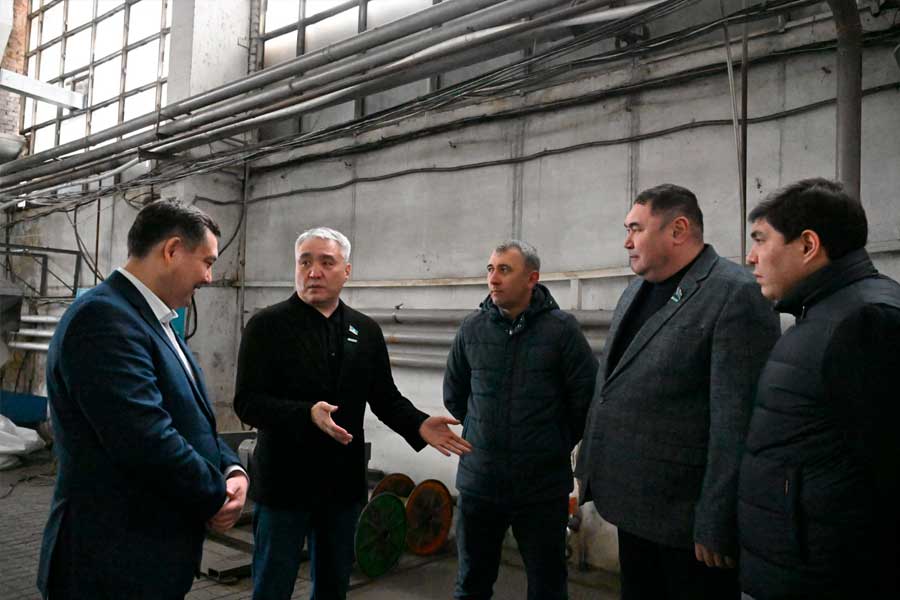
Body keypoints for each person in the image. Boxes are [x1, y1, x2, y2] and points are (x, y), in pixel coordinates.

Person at [234, 226, 471, 600]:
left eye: (326, 263)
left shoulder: (365, 330)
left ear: (346, 271)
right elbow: (247, 402)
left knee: (333, 587)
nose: (314, 272)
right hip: (284, 484)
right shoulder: (267, 326)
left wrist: (420, 424)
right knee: (272, 587)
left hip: (340, 486)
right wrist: (306, 414)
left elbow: (385, 398)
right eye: (305, 262)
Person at [575, 184, 780, 600]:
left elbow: (737, 421)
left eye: (636, 229)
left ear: (678, 229)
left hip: (688, 522)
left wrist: (717, 519)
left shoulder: (735, 293)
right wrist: (588, 471)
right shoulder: (635, 290)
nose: (627, 242)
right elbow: (609, 386)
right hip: (634, 504)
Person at [37, 200, 248, 600]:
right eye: (207, 262)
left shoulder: (154, 320)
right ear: (172, 250)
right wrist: (215, 494)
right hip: (110, 563)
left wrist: (232, 468)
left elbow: (191, 419)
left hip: (148, 556)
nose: (209, 277)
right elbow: (144, 437)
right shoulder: (102, 319)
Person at [738, 178, 900, 599]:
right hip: (795, 564)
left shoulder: (866, 321)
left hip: (821, 577)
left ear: (808, 245)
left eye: (760, 239)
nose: (750, 257)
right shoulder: (825, 313)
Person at [443, 240, 599, 600]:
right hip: (480, 481)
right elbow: (455, 394)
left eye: (504, 270)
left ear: (532, 278)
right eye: (490, 269)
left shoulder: (561, 331)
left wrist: (552, 441)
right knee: (471, 582)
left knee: (547, 585)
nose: (493, 279)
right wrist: (484, 432)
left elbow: (586, 399)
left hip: (540, 487)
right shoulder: (472, 329)